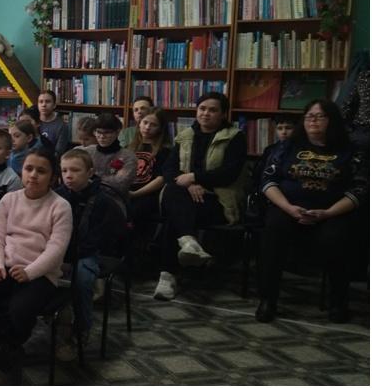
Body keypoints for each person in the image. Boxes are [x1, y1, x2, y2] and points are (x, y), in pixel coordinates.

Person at [255, 99, 367, 324]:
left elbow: (361, 188)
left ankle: (338, 303)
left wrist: (328, 213)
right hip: (288, 208)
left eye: (320, 116)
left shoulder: (351, 150)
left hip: (332, 213)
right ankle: (267, 300)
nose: (313, 120)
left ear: (332, 121)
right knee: (273, 232)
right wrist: (289, 208)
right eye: (309, 116)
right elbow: (268, 180)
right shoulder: (288, 147)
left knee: (338, 238)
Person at [0, 148, 72, 381]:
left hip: (41, 272)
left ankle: (11, 345)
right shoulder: (9, 199)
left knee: (20, 310)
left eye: (41, 171)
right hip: (5, 266)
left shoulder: (60, 206)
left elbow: (56, 249)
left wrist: (30, 272)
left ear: (53, 177)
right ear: (21, 171)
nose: (33, 175)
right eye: (28, 169)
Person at [154, 92, 247, 301]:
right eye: (202, 108)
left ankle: (167, 275)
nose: (206, 113)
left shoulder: (235, 136)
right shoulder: (185, 135)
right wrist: (189, 184)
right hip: (184, 196)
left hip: (218, 201)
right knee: (174, 193)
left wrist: (194, 178)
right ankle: (189, 243)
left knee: (173, 217)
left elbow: (229, 173)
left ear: (223, 114)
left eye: (213, 110)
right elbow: (168, 169)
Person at [54, 149, 124, 361]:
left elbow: (102, 237)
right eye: (64, 170)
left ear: (90, 172)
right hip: (58, 251)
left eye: (75, 170)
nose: (69, 175)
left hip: (88, 253)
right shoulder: (57, 195)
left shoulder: (103, 201)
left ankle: (82, 327)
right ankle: (57, 324)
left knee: (82, 279)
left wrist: (70, 259)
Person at [128, 108, 172, 218]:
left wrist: (135, 194)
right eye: (145, 122)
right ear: (139, 123)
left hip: (148, 195)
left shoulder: (165, 151)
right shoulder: (129, 148)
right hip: (127, 190)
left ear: (160, 129)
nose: (147, 127)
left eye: (153, 125)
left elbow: (161, 179)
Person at [82, 112, 138, 196]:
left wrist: (92, 179)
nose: (102, 136)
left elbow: (120, 184)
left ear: (117, 132)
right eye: (98, 132)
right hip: (85, 196)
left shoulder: (128, 157)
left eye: (107, 132)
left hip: (114, 199)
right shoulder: (86, 152)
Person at [250, 115, 295, 192]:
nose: (284, 132)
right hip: (268, 188)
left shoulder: (299, 149)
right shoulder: (269, 150)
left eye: (288, 128)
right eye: (280, 128)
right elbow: (259, 173)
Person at [38, 90, 70, 156]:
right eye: (41, 102)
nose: (44, 105)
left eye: (48, 101)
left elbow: (58, 152)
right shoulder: (33, 122)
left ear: (54, 105)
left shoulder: (62, 126)